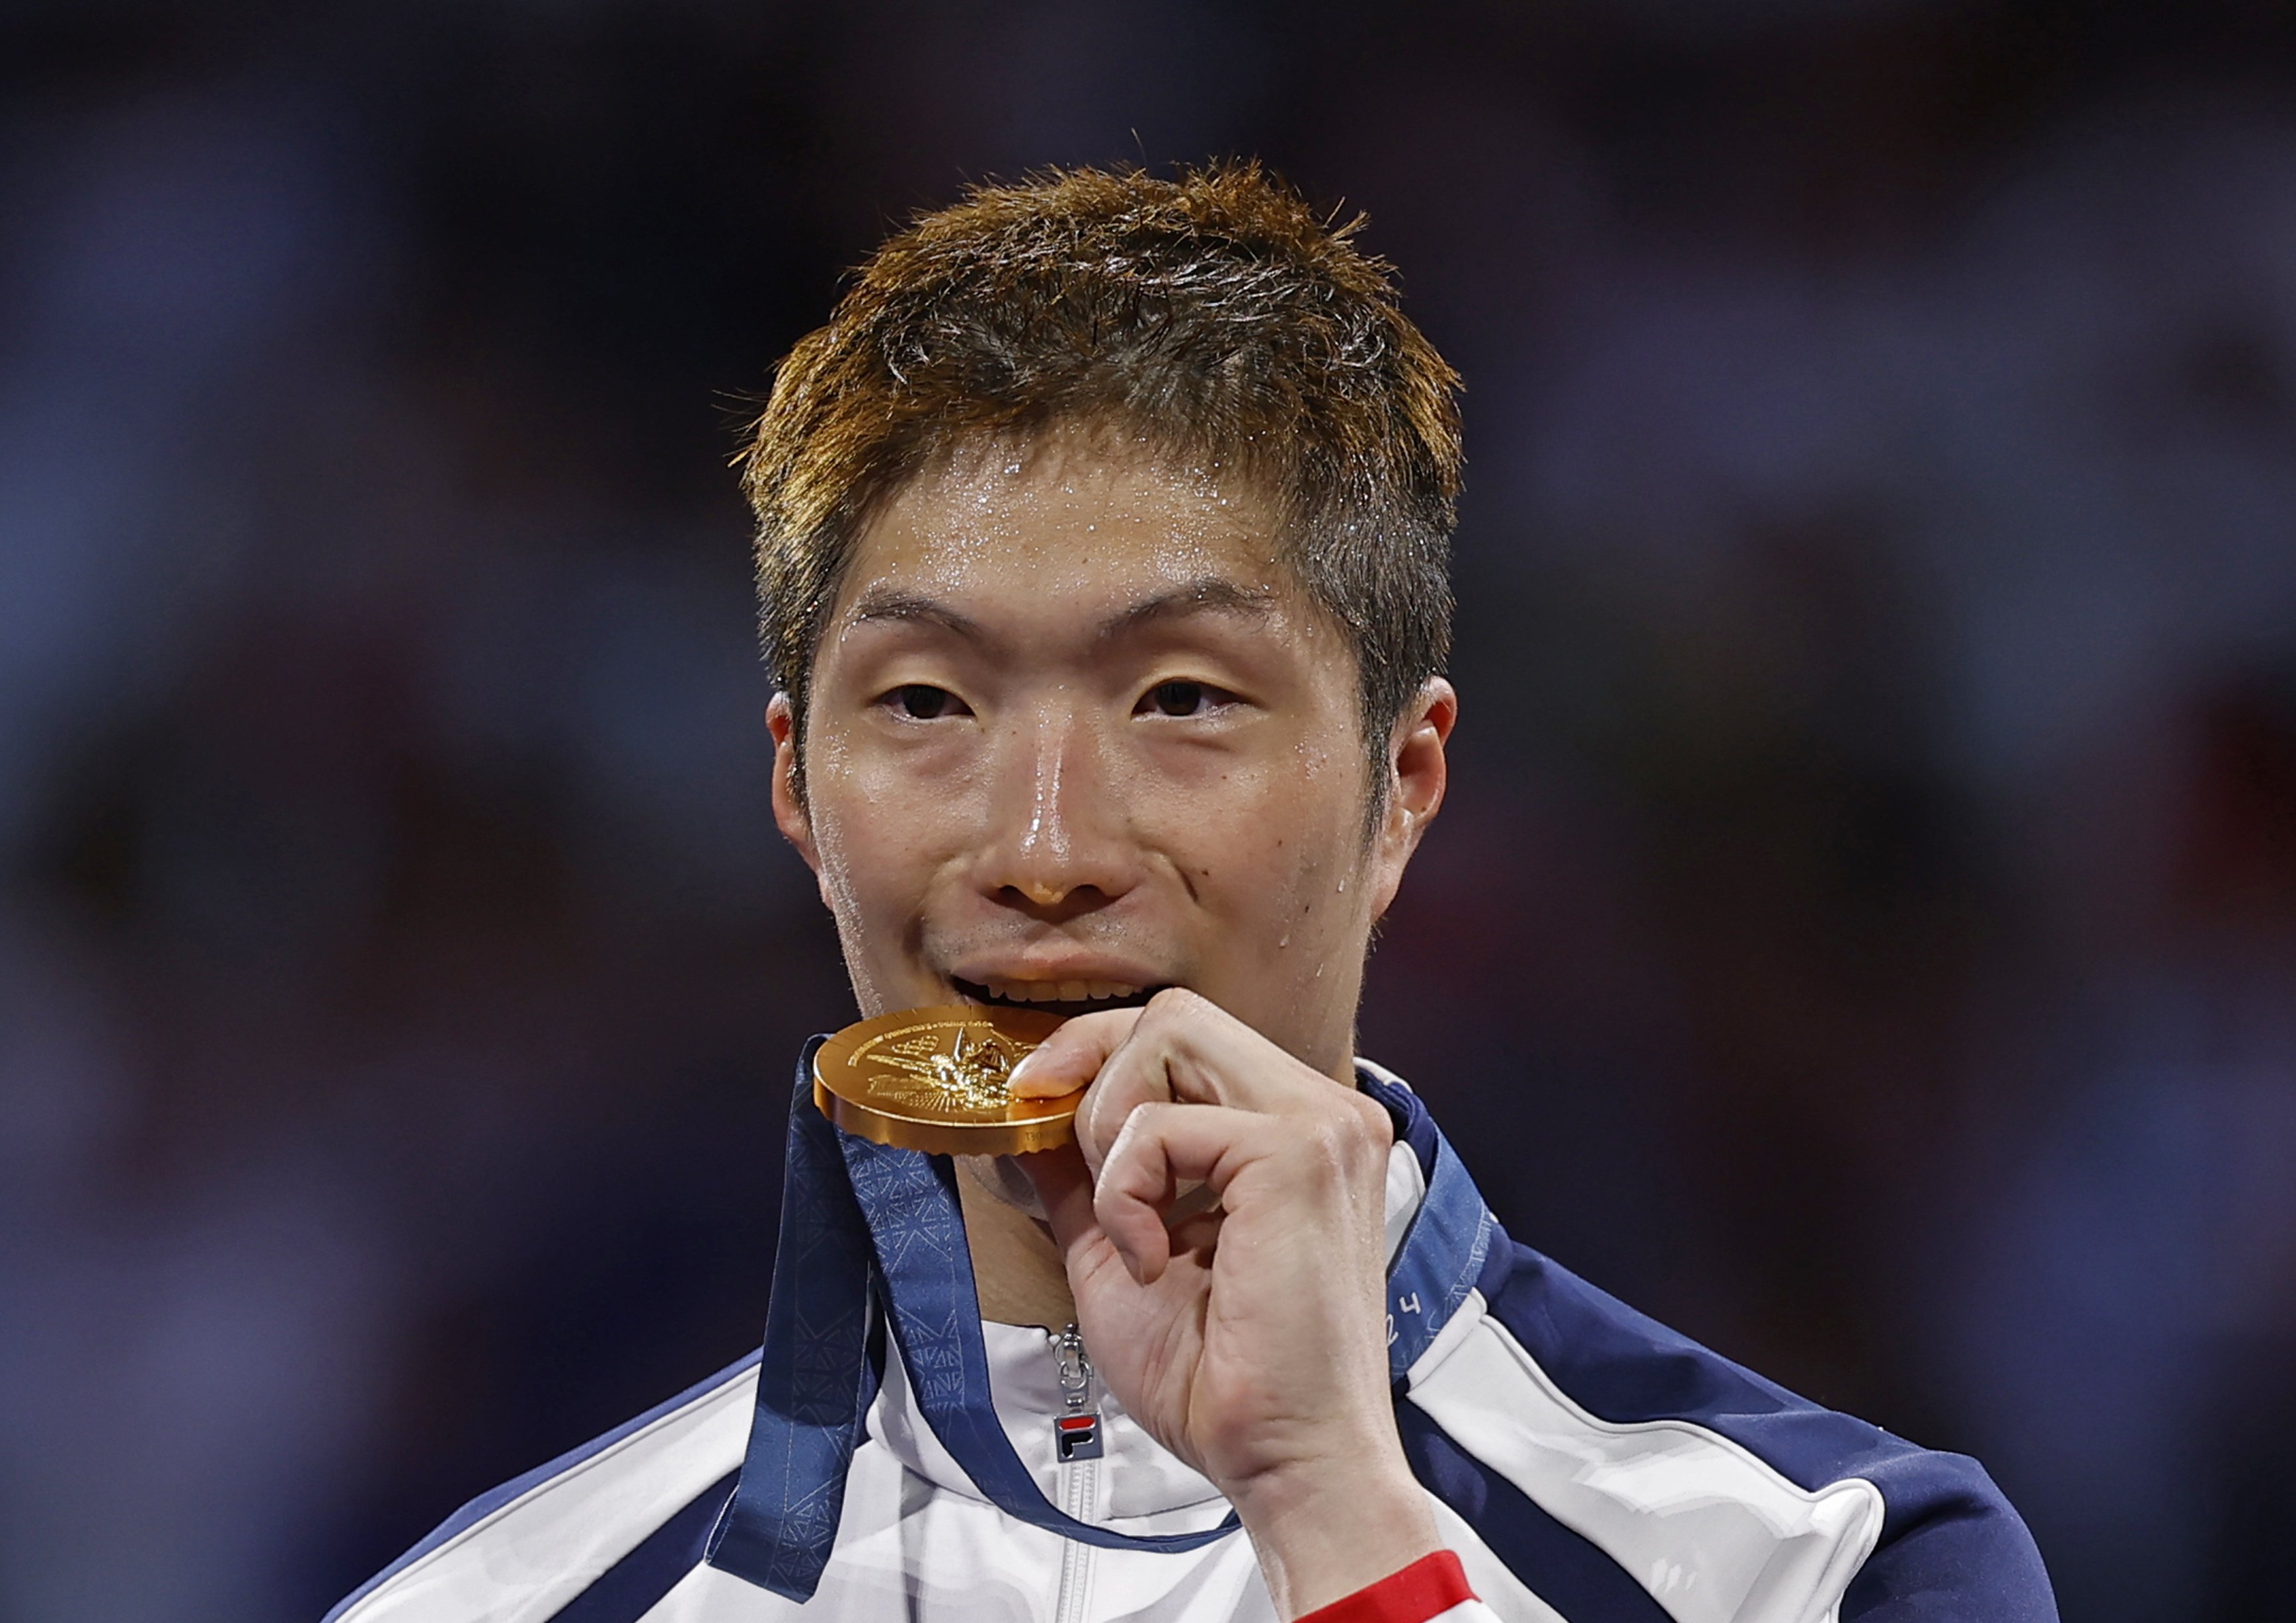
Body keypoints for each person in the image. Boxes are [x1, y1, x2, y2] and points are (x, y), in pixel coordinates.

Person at [325, 163, 2055, 1623]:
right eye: (927, 704)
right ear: (793, 786)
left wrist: (1332, 1506)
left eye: (1182, 700)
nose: (1048, 845)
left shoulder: (1824, 1567)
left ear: (1402, 793)